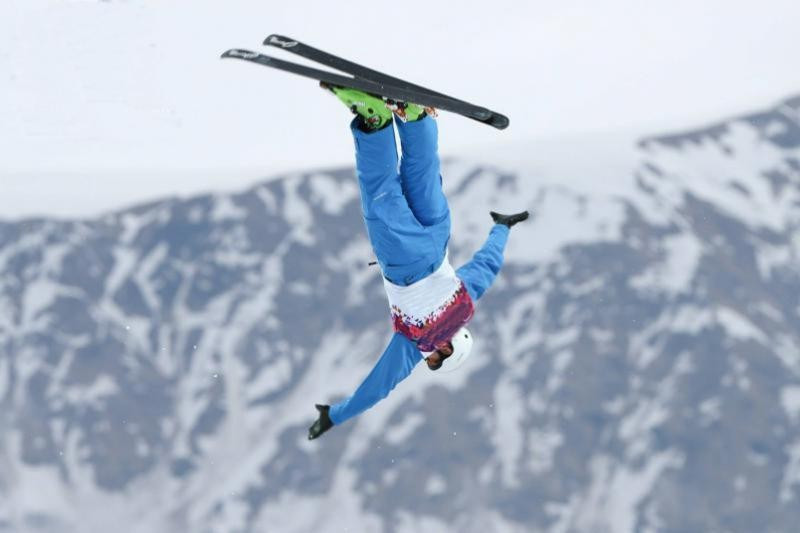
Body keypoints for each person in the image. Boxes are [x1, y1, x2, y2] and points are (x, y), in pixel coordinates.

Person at [308, 84, 528, 440]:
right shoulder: (418, 342)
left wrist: (501, 228)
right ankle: (375, 121)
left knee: (422, 177)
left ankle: (415, 119)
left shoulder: (466, 303)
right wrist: (335, 415)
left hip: (437, 240)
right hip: (403, 259)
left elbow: (487, 267)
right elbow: (377, 388)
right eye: (438, 360)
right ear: (449, 347)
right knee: (382, 191)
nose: (431, 359)